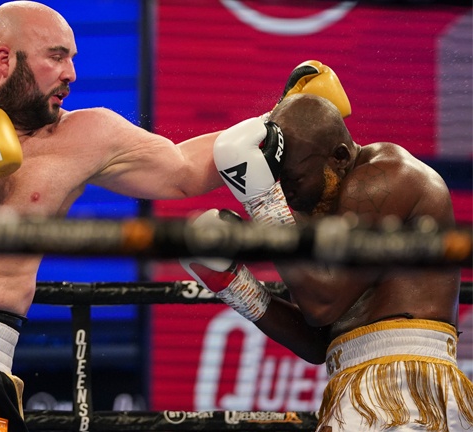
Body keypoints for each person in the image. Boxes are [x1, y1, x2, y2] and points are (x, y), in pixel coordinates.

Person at [0, 1, 351, 430]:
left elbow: (182, 169)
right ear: (5, 60)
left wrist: (280, 119)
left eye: (72, 57)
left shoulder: (85, 135)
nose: (71, 73)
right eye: (56, 56)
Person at [182, 93, 473, 431]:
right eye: (278, 184)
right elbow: (319, 340)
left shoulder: (383, 178)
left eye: (294, 180)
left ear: (340, 157)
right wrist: (235, 285)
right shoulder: (325, 205)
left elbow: (324, 303)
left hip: (405, 386)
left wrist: (262, 200)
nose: (288, 196)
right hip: (357, 387)